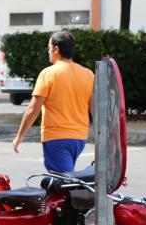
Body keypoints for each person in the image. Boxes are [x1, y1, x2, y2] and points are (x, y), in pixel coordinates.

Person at [12, 31, 94, 173]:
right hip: (79, 138)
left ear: (56, 49)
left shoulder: (48, 74)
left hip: (56, 138)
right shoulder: (88, 74)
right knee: (66, 179)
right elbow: (94, 109)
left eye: (49, 48)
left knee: (62, 184)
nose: (48, 51)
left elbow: (33, 110)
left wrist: (19, 136)